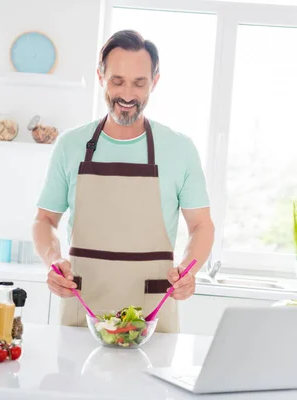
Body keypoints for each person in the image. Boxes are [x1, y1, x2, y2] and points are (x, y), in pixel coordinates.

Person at [32, 30, 214, 333]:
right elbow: (44, 220)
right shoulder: (70, 145)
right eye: (117, 81)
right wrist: (53, 260)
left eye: (139, 83)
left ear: (154, 82)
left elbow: (202, 225)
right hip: (82, 309)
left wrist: (187, 268)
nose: (127, 94)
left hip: (153, 314)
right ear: (101, 76)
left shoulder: (180, 148)